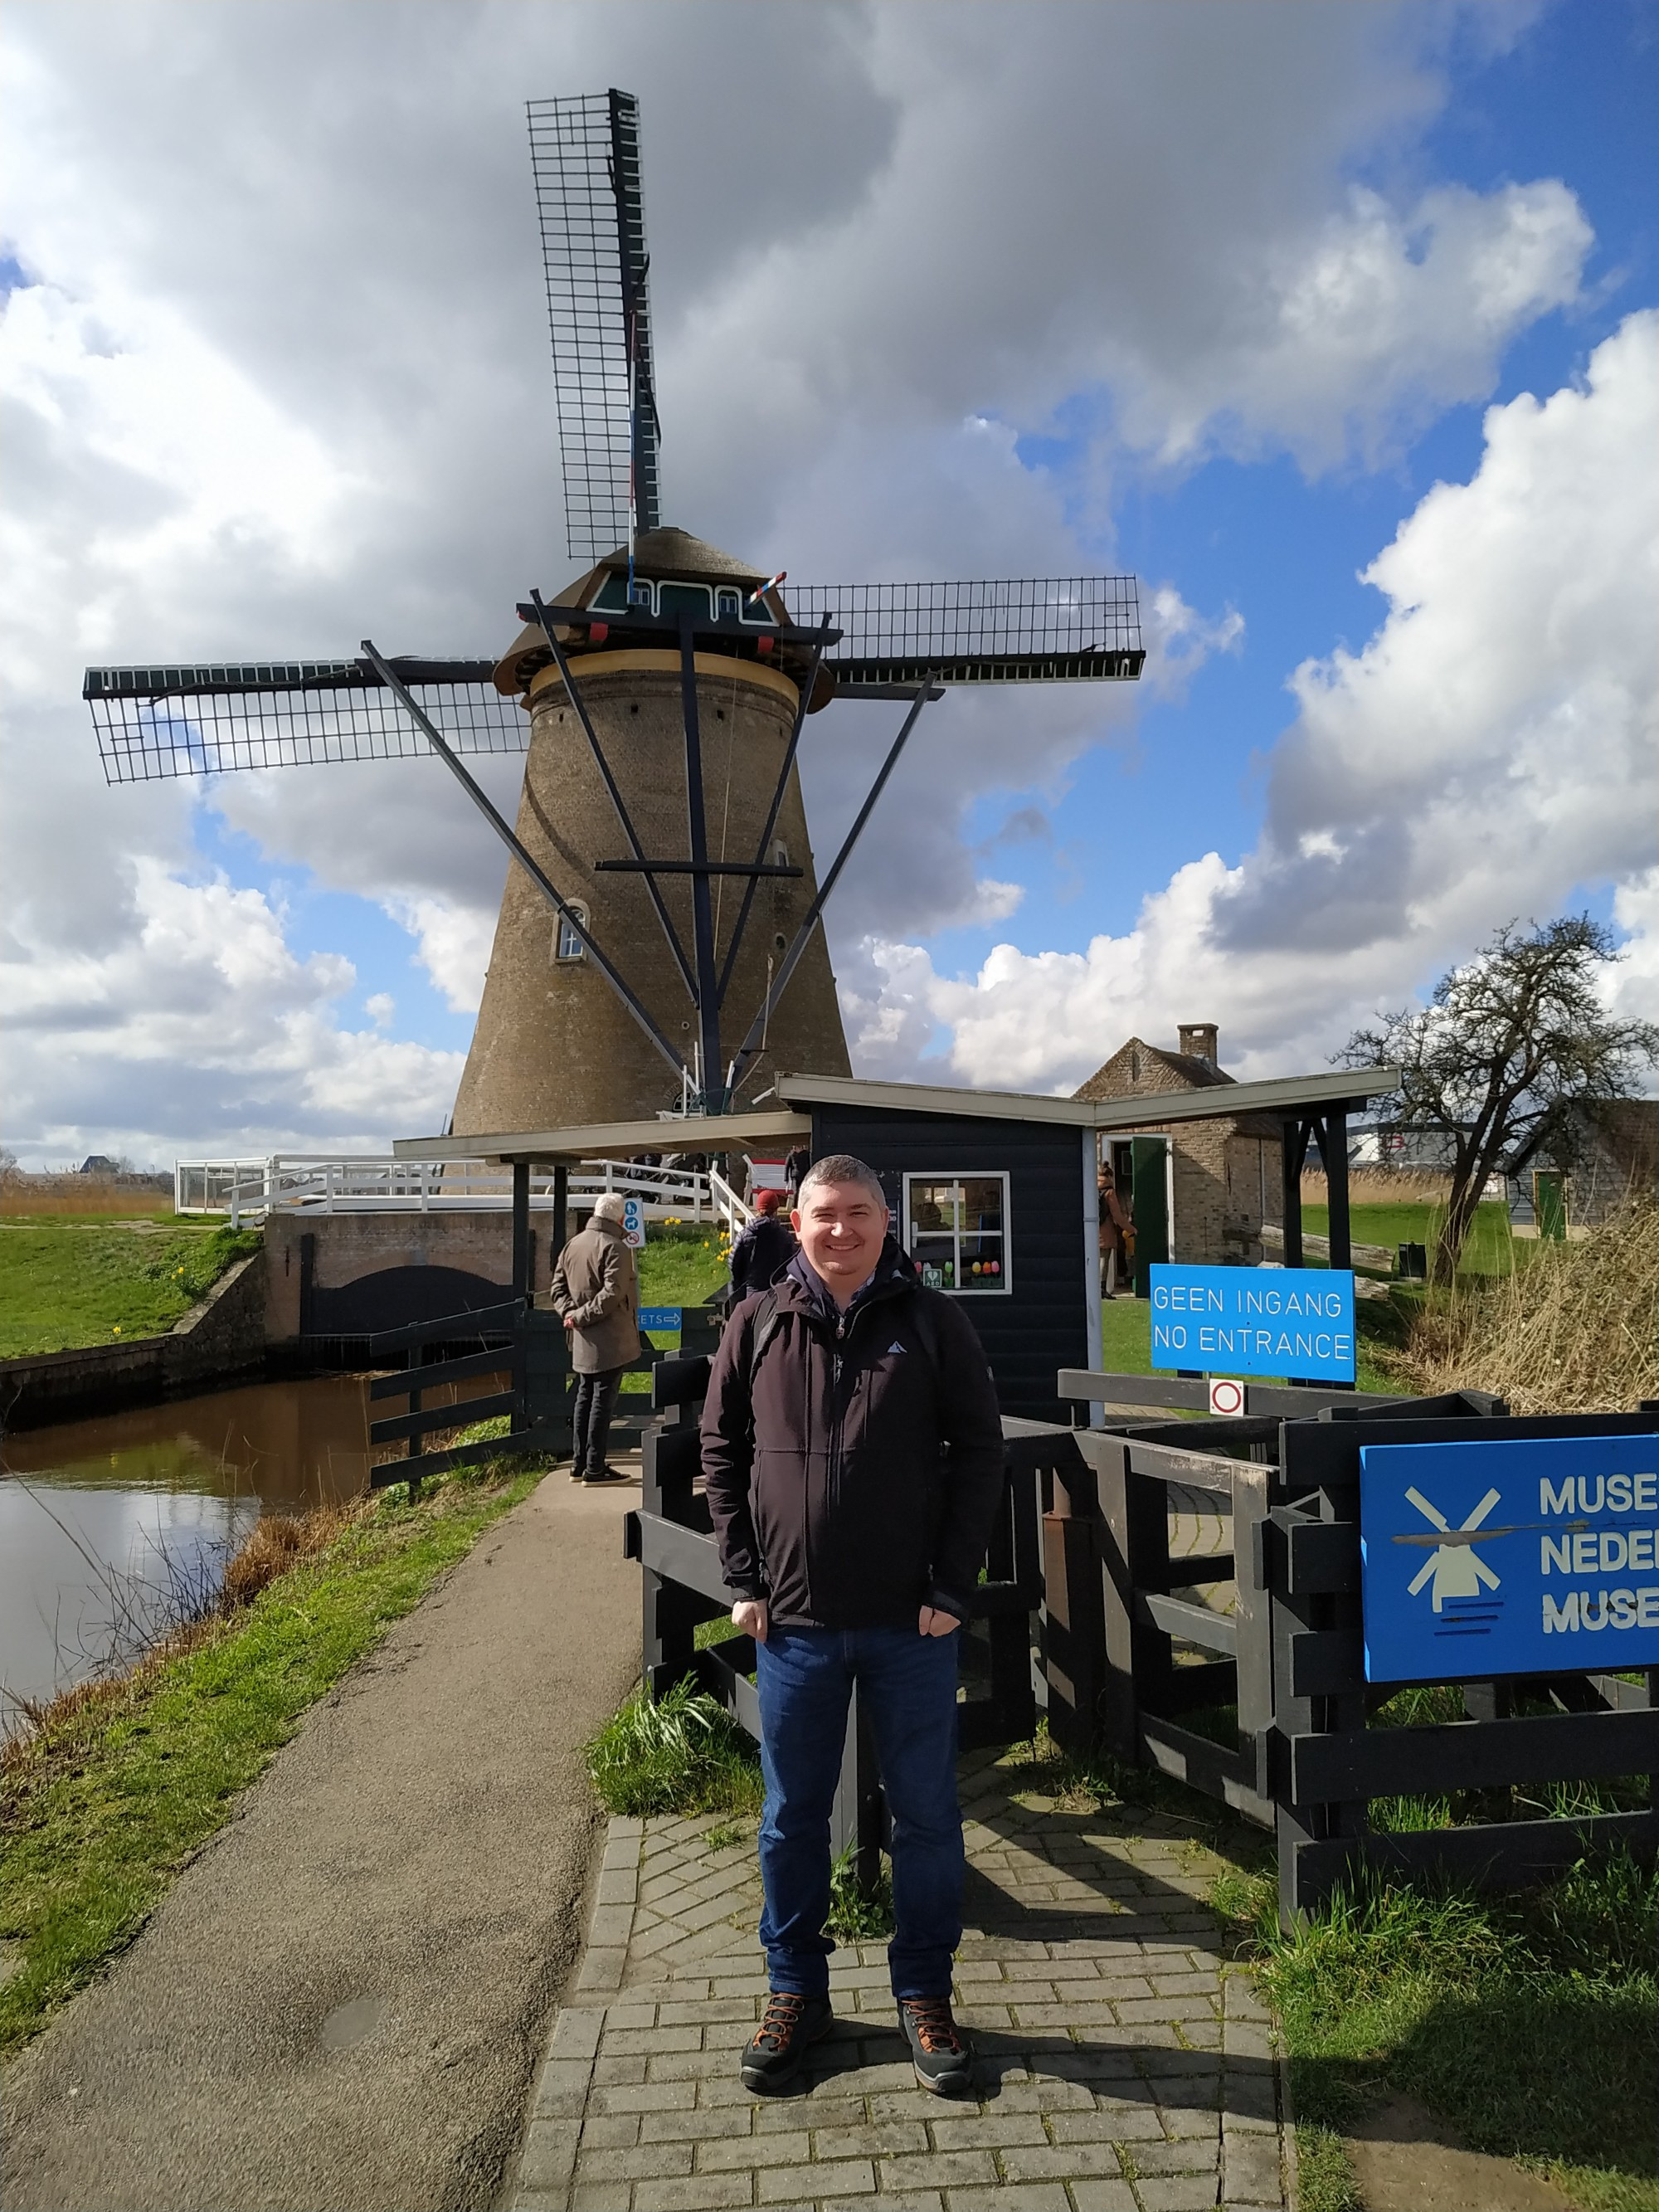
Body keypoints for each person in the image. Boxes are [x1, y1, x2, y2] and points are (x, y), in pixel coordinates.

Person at [701, 1153, 1005, 2098]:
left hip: (910, 1623)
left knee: (926, 1818)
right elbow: (720, 1445)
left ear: (885, 1220)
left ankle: (922, 1988)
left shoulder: (929, 1317)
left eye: (858, 1213)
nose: (841, 1230)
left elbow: (979, 1447)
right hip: (791, 1620)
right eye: (823, 1215)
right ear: (795, 1223)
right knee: (790, 1820)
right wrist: (742, 1575)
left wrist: (951, 1585)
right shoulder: (754, 1321)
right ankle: (796, 1987)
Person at [550, 1191, 640, 1484]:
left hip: (580, 1337)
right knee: (602, 1401)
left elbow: (557, 1288)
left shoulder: (572, 1245)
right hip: (609, 1338)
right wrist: (581, 1316)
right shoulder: (615, 1247)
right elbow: (613, 1293)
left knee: (583, 1398)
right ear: (620, 1217)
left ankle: (579, 1464)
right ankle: (595, 1467)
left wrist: (570, 1314)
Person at [727, 1189, 796, 1299]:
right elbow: (792, 1264)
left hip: (751, 1294)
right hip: (776, 1294)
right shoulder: (785, 1236)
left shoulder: (745, 1235)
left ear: (758, 1209)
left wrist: (742, 1284)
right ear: (776, 1210)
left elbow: (734, 1265)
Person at [1097, 1165, 1131, 1298]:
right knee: (1103, 1260)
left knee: (1092, 1260)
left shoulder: (1090, 1187)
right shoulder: (1109, 1192)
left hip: (1091, 1229)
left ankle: (1093, 1288)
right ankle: (1102, 1289)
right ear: (1110, 1176)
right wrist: (1131, 1229)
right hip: (1105, 1231)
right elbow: (1117, 1215)